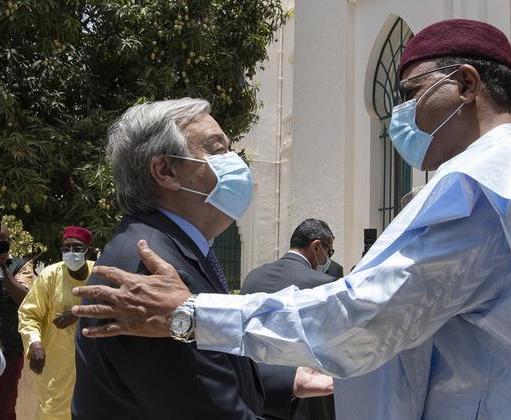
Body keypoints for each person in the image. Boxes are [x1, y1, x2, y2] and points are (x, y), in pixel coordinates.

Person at [72, 20, 511, 419]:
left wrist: (190, 313)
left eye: (412, 94)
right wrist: (295, 376)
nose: (399, 117)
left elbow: (365, 314)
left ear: (465, 85)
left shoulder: (482, 184)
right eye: (215, 149)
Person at [71, 98, 331, 420]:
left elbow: (206, 364)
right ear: (166, 171)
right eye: (217, 149)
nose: (235, 161)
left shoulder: (177, 248)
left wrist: (288, 380)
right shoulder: (150, 269)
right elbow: (208, 403)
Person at [241, 218, 337, 420]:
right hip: (306, 403)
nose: (328, 259)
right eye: (329, 253)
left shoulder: (253, 277)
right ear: (316, 247)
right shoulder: (325, 285)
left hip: (255, 396)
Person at [18, 226, 94, 420]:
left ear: (88, 251)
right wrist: (35, 343)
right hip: (57, 366)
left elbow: (111, 307)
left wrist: (77, 313)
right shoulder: (50, 276)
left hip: (91, 365)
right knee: (53, 413)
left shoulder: (99, 275)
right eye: (66, 248)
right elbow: (28, 314)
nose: (71, 253)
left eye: (77, 248)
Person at [0, 222, 29, 420]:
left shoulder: (21, 266)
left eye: (2, 242)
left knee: (5, 407)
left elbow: (26, 299)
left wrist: (3, 267)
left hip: (10, 350)